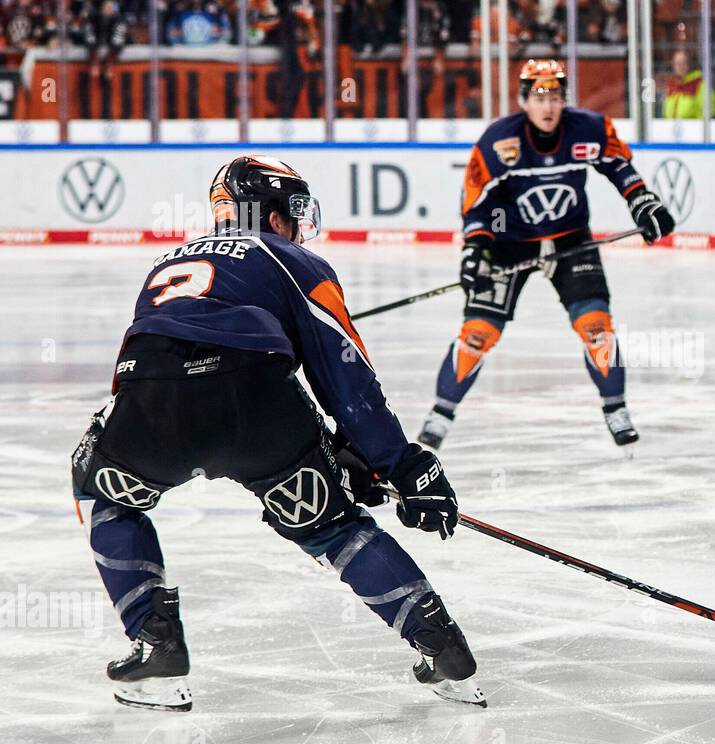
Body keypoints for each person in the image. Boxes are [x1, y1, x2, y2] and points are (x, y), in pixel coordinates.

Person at [71, 156, 482, 712]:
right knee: (332, 527)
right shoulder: (292, 257)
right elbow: (344, 374)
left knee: (101, 492)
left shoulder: (166, 261)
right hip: (257, 405)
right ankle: (445, 652)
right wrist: (393, 462)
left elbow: (141, 361)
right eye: (290, 208)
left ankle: (156, 647)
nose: (296, 221)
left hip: (154, 401)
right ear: (268, 211)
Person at [417, 59, 675, 450]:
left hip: (571, 239)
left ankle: (615, 408)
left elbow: (619, 165)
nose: (548, 107)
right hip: (509, 244)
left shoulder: (588, 129)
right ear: (524, 101)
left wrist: (642, 202)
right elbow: (477, 202)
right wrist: (475, 250)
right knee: (477, 334)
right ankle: (441, 413)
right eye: (539, 98)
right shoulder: (498, 142)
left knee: (596, 326)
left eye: (554, 96)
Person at [662, 49, 714, 119]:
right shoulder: (671, 86)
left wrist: (694, 127)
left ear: (689, 65)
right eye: (677, 64)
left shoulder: (700, 85)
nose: (680, 67)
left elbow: (707, 112)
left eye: (684, 63)